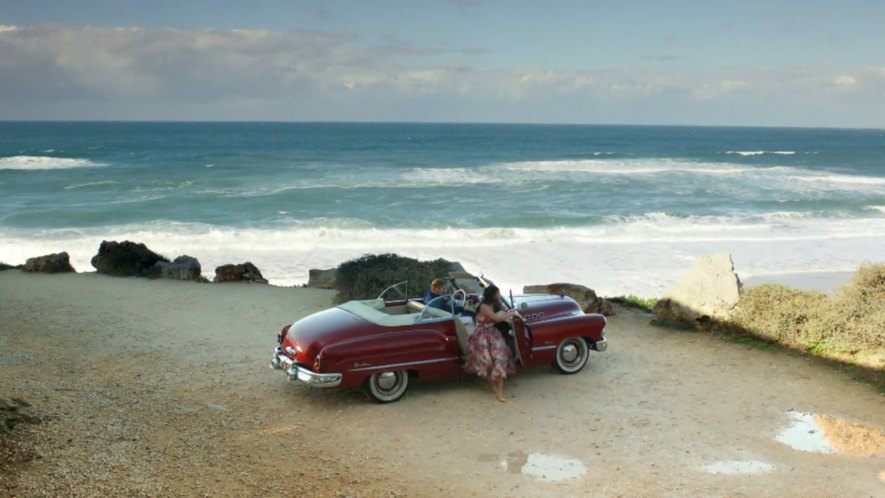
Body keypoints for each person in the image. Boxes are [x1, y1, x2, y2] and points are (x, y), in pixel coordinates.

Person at [464, 285, 518, 402]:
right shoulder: (483, 306)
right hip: (482, 336)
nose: (499, 295)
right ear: (493, 295)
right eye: (498, 293)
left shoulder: (495, 304)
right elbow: (497, 318)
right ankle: (492, 385)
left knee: (500, 359)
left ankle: (499, 392)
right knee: (486, 363)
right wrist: (512, 314)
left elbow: (501, 312)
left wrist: (509, 311)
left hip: (493, 333)